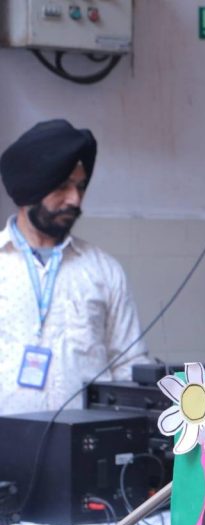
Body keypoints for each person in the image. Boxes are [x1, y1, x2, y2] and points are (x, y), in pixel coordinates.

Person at [0, 119, 148, 415]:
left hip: (86, 438)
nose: (75, 199)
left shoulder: (103, 270)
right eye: (62, 186)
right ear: (30, 190)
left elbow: (128, 364)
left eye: (80, 186)